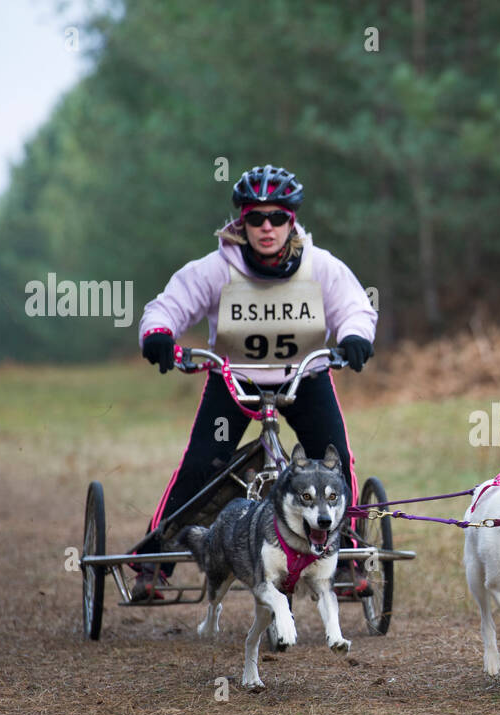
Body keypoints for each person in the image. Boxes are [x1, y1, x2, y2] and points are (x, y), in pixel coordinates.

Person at [128, 164, 377, 601]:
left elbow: (356, 307)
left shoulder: (321, 266)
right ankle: (155, 563)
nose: (267, 227)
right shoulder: (215, 269)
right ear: (240, 221)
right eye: (255, 218)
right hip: (233, 381)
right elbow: (167, 306)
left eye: (278, 217)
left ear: (292, 220)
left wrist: (355, 336)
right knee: (201, 466)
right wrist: (159, 335)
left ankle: (347, 559)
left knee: (332, 463)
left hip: (306, 379)